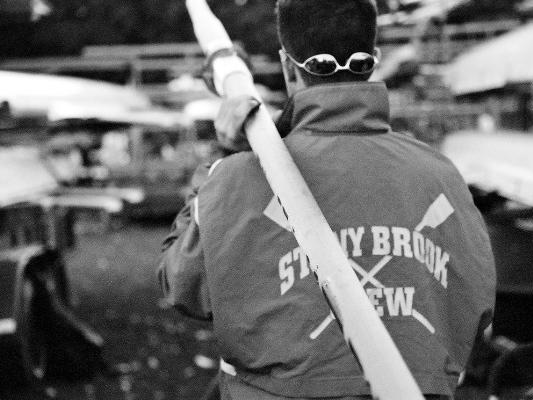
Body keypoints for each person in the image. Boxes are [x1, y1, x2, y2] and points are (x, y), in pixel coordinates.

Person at [158, 1, 496, 399]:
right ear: (376, 60)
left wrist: (224, 159)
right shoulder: (441, 177)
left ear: (287, 67)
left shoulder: (237, 177)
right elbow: (476, 306)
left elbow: (179, 283)